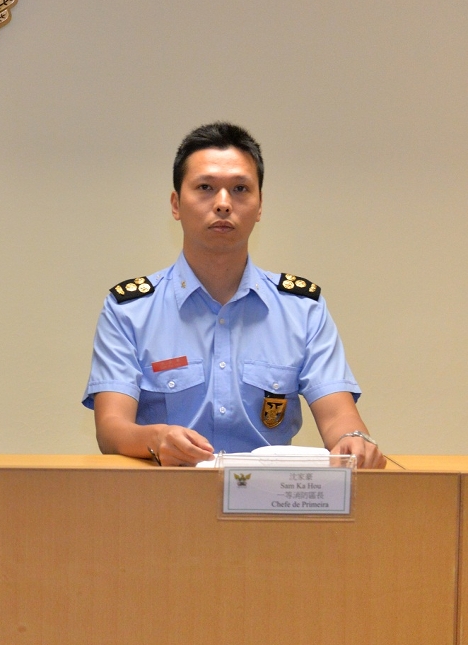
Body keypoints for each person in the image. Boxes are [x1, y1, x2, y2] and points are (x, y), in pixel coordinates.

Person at [84, 121, 385, 468]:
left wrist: (355, 441)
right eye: (206, 187)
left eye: (240, 188)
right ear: (176, 204)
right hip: (162, 499)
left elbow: (338, 419)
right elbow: (111, 429)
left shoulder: (302, 309)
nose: (224, 203)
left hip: (269, 505)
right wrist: (156, 439)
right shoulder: (129, 310)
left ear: (259, 207)